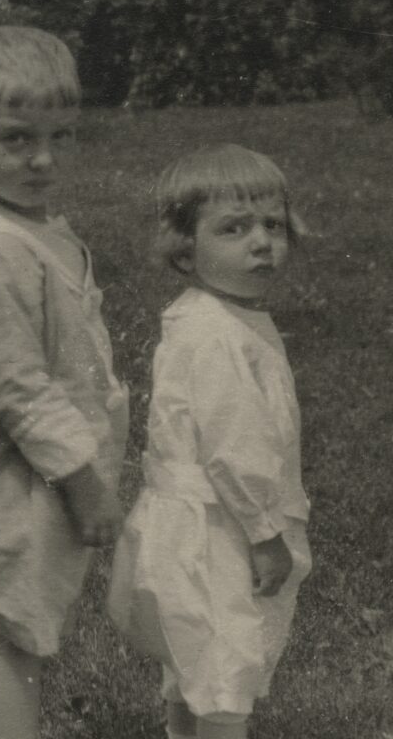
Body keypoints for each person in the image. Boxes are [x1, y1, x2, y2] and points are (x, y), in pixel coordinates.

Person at [0, 26, 129, 739]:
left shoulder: (33, 226)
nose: (43, 159)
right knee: (25, 634)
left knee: (15, 621)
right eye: (17, 140)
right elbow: (16, 385)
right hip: (25, 476)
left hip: (40, 465)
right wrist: (81, 481)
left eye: (63, 137)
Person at [107, 144, 312, 739]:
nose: (260, 242)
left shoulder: (200, 316)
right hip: (222, 529)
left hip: (183, 523)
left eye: (272, 225)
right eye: (234, 228)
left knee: (192, 657)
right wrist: (266, 536)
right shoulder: (222, 339)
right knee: (225, 669)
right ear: (186, 247)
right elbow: (233, 451)